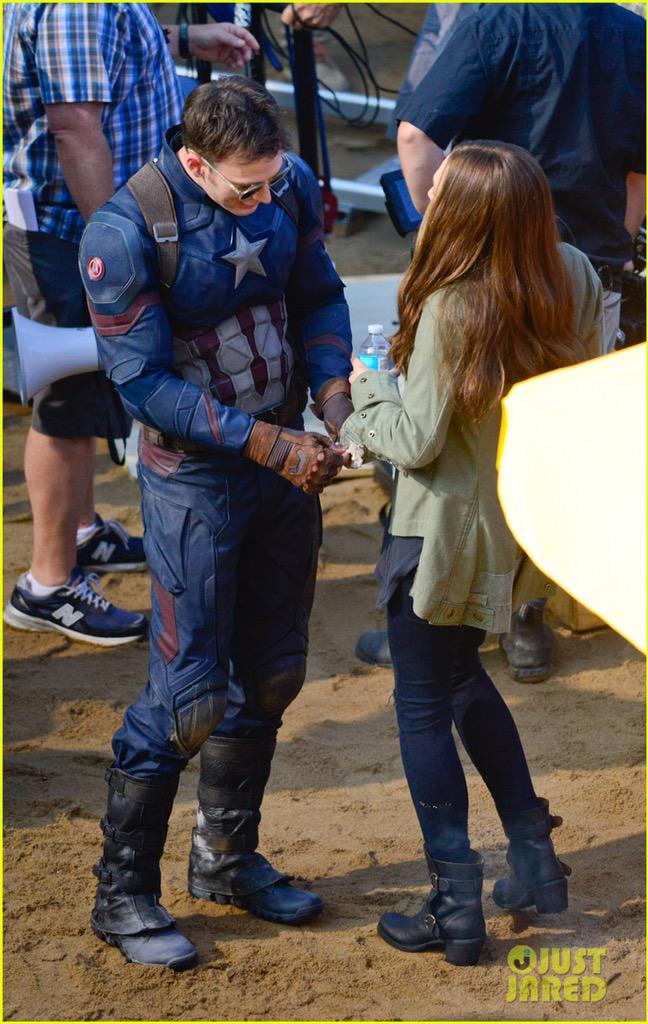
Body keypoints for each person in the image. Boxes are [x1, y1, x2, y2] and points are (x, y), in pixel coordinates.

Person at [79, 76, 353, 969]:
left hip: (285, 461)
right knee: (188, 694)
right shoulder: (125, 233)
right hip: (195, 480)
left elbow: (318, 292)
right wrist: (268, 443)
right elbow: (143, 385)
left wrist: (335, 397)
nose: (265, 199)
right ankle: (122, 895)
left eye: (272, 181)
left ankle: (226, 859)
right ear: (195, 163)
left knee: (272, 674)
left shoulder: (286, 183)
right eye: (246, 188)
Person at [340, 141, 603, 965]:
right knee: (460, 677)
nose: (424, 200)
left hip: (439, 535)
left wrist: (363, 392)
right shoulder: (571, 272)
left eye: (438, 193)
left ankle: (454, 905)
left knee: (422, 705)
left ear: (462, 215)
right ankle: (534, 860)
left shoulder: (452, 304)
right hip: (518, 522)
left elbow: (414, 440)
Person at [360, 2, 646, 681]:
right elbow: (638, 172)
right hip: (589, 268)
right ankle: (526, 618)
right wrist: (617, 251)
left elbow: (415, 136)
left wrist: (444, 238)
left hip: (482, 275)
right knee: (555, 443)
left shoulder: (496, 22)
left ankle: (447, 618)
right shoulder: (633, 30)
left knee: (457, 447)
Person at [3, 2, 258, 646]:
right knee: (67, 405)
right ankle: (47, 584)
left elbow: (106, 55)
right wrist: (112, 243)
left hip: (77, 224)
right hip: (69, 229)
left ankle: (82, 532)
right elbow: (74, 127)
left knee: (84, 395)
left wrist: (186, 37)